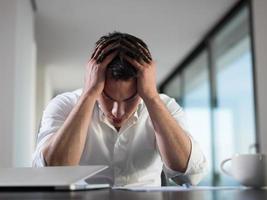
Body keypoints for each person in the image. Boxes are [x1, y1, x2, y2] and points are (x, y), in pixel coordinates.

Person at [32, 32, 207, 187]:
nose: (118, 112)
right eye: (108, 97)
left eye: (130, 99)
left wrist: (152, 98)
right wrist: (89, 94)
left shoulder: (164, 106)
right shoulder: (64, 105)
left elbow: (190, 177)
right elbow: (52, 174)